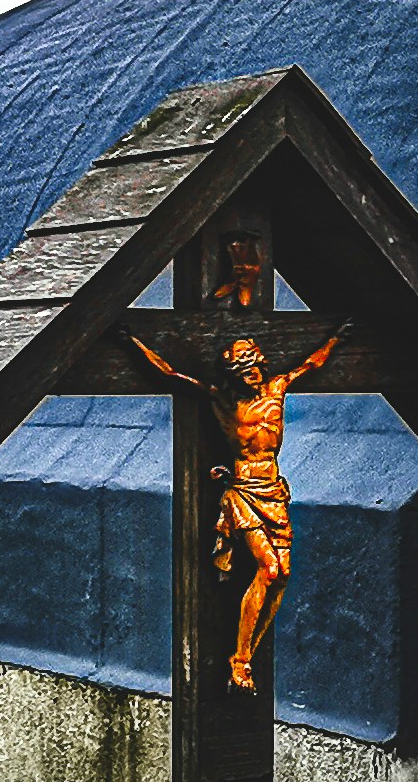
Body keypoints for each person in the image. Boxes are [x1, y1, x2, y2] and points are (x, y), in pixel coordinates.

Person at [130, 233, 345, 691]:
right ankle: (239, 660)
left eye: (253, 360)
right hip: (245, 494)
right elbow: (170, 372)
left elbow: (313, 362)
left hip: (275, 490)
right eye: (241, 362)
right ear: (231, 370)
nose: (250, 366)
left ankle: (249, 651)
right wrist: (135, 340)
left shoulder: (279, 389)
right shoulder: (224, 404)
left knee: (282, 577)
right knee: (268, 570)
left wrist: (340, 336)